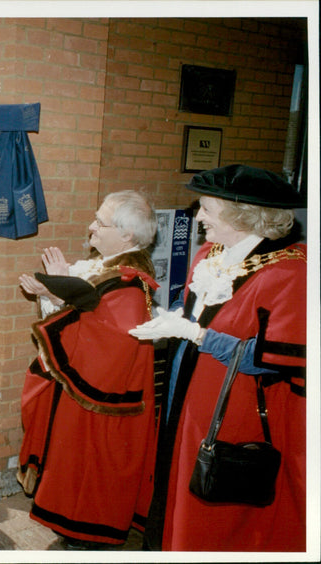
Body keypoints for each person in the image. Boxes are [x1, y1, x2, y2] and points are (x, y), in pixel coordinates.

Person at [129, 165, 307, 551]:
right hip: (187, 401)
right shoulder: (211, 253)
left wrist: (198, 335)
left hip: (233, 414)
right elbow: (191, 303)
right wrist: (175, 315)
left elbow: (268, 359)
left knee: (215, 515)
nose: (199, 216)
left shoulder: (292, 272)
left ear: (242, 215)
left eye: (207, 208)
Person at [16, 190, 158, 549]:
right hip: (85, 387)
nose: (91, 227)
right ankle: (76, 533)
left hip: (105, 399)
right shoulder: (105, 267)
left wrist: (62, 295)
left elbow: (114, 342)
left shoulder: (130, 280)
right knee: (74, 465)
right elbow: (86, 317)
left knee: (94, 472)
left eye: (100, 222)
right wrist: (54, 293)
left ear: (127, 235)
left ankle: (89, 541)